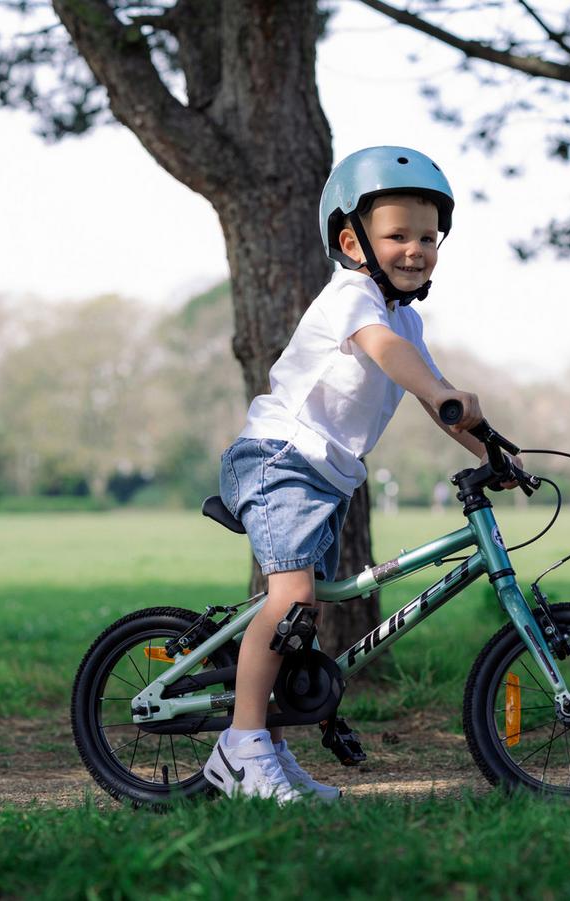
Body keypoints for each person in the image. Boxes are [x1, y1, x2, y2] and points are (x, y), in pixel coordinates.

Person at [202, 146, 520, 804]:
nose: (416, 248)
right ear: (353, 241)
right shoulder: (353, 300)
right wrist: (442, 394)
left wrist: (490, 448)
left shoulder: (407, 315)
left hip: (325, 476)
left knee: (301, 613)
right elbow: (393, 357)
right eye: (397, 234)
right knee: (291, 600)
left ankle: (272, 746)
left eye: (427, 237)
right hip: (278, 456)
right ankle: (239, 746)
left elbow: (434, 389)